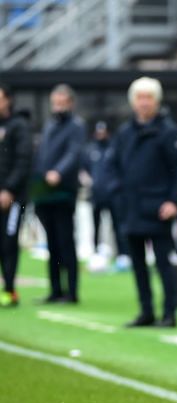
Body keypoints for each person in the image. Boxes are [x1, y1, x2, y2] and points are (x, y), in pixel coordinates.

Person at [107, 77, 177, 327]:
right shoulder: (125, 132)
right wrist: (116, 193)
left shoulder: (169, 131)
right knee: (138, 264)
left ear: (157, 101)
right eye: (140, 98)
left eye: (148, 97)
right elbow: (113, 166)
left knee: (163, 264)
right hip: (130, 207)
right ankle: (146, 311)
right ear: (133, 102)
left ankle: (169, 313)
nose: (144, 103)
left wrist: (173, 201)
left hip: (159, 209)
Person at [33, 84, 86, 304]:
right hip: (44, 190)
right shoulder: (50, 125)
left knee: (66, 241)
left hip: (63, 190)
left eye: (62, 103)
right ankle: (55, 289)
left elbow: (73, 153)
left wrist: (58, 172)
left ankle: (71, 291)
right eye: (56, 103)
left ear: (70, 104)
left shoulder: (76, 125)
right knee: (52, 243)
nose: (58, 107)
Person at [0, 83, 33, 307]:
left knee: (9, 242)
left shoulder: (19, 126)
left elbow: (23, 161)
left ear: (8, 100)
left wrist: (9, 189)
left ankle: (10, 290)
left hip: (12, 198)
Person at [83, 121, 129, 269]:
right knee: (96, 225)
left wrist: (116, 185)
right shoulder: (91, 149)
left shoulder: (115, 148)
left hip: (114, 194)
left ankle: (122, 254)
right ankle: (96, 252)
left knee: (117, 225)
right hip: (96, 194)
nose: (101, 135)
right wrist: (89, 182)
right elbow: (83, 169)